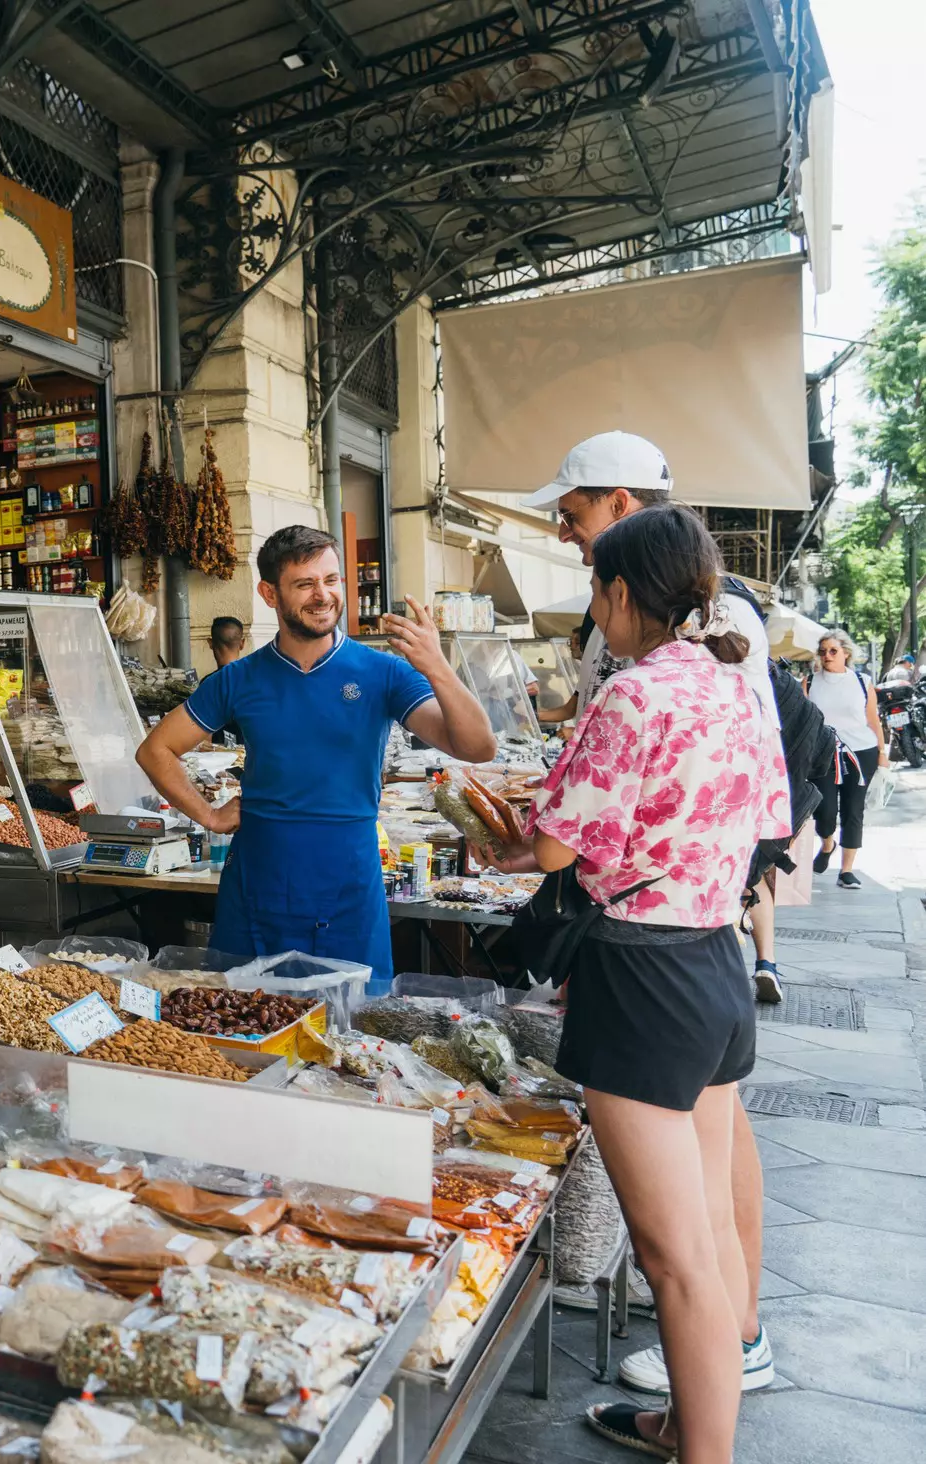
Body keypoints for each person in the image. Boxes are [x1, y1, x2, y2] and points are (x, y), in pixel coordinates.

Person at [481, 506, 789, 1463]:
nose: (593, 612)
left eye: (596, 594)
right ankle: (686, 1426)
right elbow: (770, 817)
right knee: (709, 1235)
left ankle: (705, 1455)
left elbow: (557, 846)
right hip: (715, 962)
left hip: (641, 976)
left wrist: (508, 840)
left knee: (672, 1256)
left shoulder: (634, 692)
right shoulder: (735, 682)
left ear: (621, 594)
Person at [135, 525, 496, 978]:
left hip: (348, 873)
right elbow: (155, 750)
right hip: (260, 874)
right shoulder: (239, 679)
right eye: (304, 584)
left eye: (330, 580)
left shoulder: (383, 672)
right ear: (270, 593)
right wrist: (207, 815)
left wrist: (437, 666)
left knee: (351, 1021)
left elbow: (478, 746)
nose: (322, 595)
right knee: (243, 1012)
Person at [806, 630, 884, 890]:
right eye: (823, 651)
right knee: (824, 810)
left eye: (833, 651)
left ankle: (847, 870)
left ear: (846, 653)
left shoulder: (862, 681)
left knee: (853, 810)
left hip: (861, 752)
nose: (827, 656)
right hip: (823, 753)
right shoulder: (809, 682)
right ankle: (828, 842)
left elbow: (873, 721)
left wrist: (882, 753)